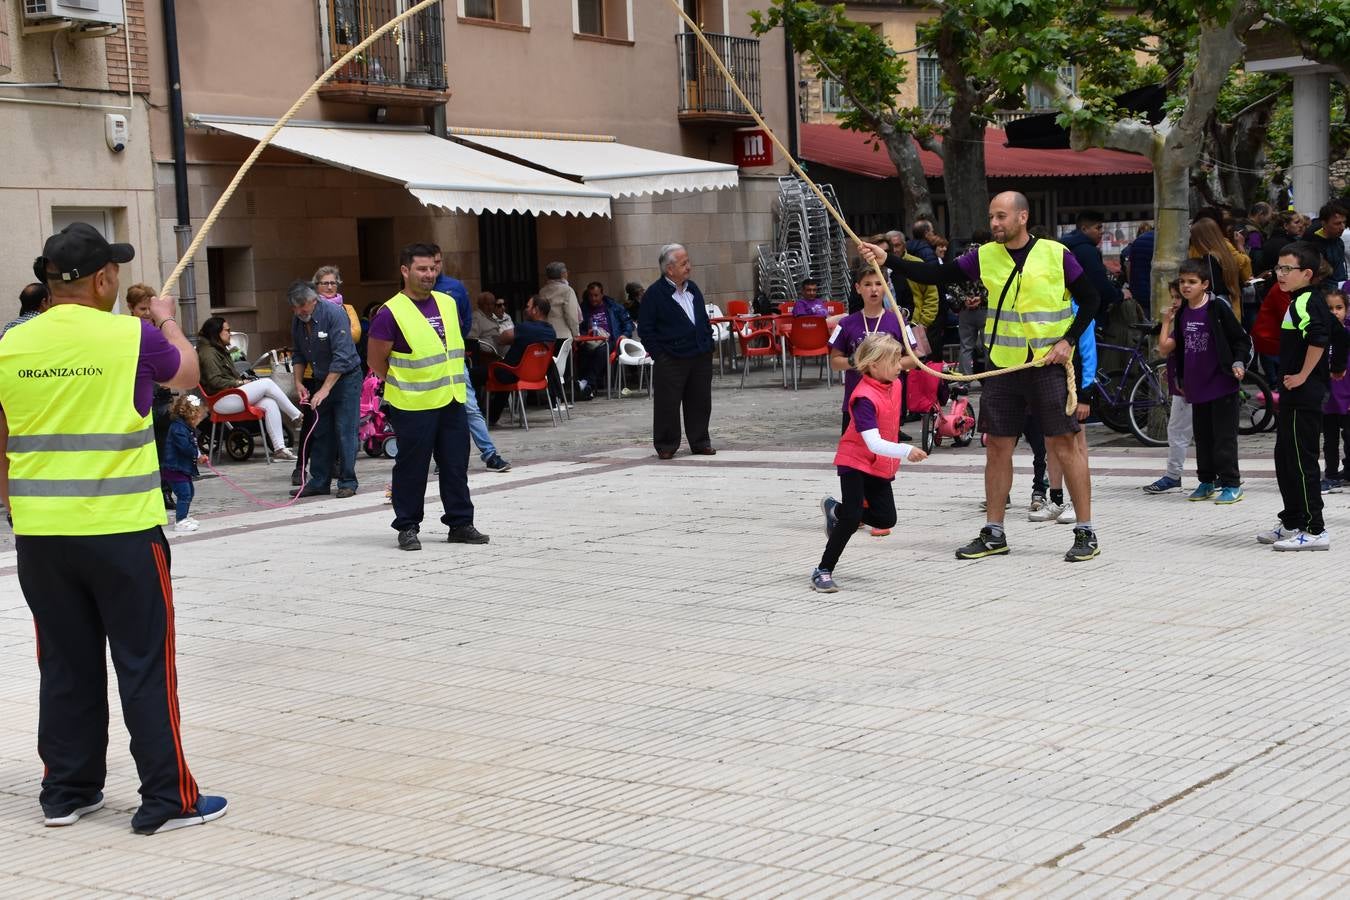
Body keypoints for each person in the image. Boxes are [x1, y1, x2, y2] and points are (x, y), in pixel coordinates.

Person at [0, 222, 226, 834]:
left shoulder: (10, 344)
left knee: (66, 664)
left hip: (42, 536)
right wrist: (169, 321)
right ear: (103, 278)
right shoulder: (130, 337)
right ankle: (166, 799)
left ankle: (67, 791)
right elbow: (185, 374)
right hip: (123, 532)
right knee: (144, 662)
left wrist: (17, 505)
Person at [862, 190, 1102, 563]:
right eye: (992, 216)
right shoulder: (985, 255)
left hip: (1047, 365)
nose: (994, 223)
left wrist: (1068, 340)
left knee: (1065, 446)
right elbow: (937, 274)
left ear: (1022, 217)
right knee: (997, 447)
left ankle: (1085, 530)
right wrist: (888, 260)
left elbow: (1091, 299)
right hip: (1003, 367)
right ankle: (994, 532)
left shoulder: (1056, 254)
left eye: (1002, 216)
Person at [367, 243, 489, 550]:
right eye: (422, 269)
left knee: (455, 464)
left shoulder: (447, 303)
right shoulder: (390, 312)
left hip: (451, 398)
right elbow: (375, 360)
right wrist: (403, 381)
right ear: (405, 271)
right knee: (412, 468)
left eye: (433, 268)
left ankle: (460, 523)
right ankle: (407, 526)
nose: (429, 274)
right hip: (412, 403)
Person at [813, 334, 928, 592]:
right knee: (853, 519)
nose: (900, 365)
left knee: (886, 518)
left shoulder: (894, 384)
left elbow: (920, 357)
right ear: (874, 365)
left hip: (878, 463)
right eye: (894, 361)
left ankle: (837, 511)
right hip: (855, 460)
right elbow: (873, 442)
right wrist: (906, 450)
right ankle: (823, 570)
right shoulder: (864, 397)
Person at [1258, 242, 1348, 551]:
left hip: (1303, 394)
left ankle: (1314, 529)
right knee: (1285, 457)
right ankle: (1292, 520)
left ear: (1306, 273)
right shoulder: (1308, 300)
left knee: (1301, 460)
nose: (1280, 274)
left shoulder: (1306, 301)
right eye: (1278, 268)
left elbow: (1320, 339)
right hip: (1298, 393)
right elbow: (1340, 333)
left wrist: (1303, 375)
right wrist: (1337, 367)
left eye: (1287, 269)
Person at [1157, 259, 1250, 504]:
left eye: (1192, 282)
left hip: (1221, 384)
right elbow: (1177, 348)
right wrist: (1180, 378)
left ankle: (1231, 483)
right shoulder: (1184, 312)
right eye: (1183, 282)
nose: (1186, 286)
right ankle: (1206, 481)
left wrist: (1238, 363)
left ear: (1205, 284)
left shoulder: (1217, 308)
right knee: (1204, 437)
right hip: (1195, 387)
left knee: (1224, 437)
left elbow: (1241, 339)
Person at [431, 251, 512, 473]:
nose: (433, 268)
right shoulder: (413, 293)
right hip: (427, 364)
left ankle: (490, 454)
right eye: (428, 265)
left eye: (437, 262)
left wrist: (455, 342)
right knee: (436, 412)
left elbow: (465, 322)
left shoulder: (454, 287)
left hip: (454, 359)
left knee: (470, 407)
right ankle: (442, 457)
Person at [638, 244, 716, 459]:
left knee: (700, 401)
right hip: (671, 357)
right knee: (667, 403)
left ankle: (700, 441)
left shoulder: (693, 289)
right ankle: (666, 445)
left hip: (699, 354)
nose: (689, 267)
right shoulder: (655, 294)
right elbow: (645, 328)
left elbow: (703, 320)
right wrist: (659, 355)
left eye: (688, 262)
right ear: (669, 269)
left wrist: (708, 343)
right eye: (684, 263)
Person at [288, 280, 362, 498]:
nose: (299, 311)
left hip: (346, 378)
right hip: (321, 378)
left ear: (314, 300)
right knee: (321, 430)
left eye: (303, 306)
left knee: (345, 429)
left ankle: (348, 481)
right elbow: (299, 353)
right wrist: (299, 383)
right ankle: (319, 481)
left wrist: (325, 390)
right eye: (295, 307)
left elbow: (342, 357)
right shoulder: (298, 320)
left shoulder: (334, 314)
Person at [1028, 303, 1098, 523]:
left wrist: (1086, 396)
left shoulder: (1079, 311)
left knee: (1077, 444)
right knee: (1051, 442)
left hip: (1074, 388)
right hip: (1049, 386)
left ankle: (1079, 504)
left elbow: (1089, 354)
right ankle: (1056, 500)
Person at [830, 264, 920, 433]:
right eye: (867, 284)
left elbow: (914, 359)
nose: (874, 290)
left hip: (888, 401)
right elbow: (834, 362)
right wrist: (856, 361)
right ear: (858, 288)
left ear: (886, 287)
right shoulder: (846, 324)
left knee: (887, 454)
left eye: (879, 284)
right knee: (853, 455)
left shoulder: (899, 322)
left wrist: (886, 364)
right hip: (856, 400)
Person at [197, 316, 301, 462]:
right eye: (227, 330)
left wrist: (240, 382)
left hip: (229, 395)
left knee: (269, 403)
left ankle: (279, 449)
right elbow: (215, 382)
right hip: (221, 400)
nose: (230, 333)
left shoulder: (217, 349)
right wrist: (239, 382)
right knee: (266, 383)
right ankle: (297, 417)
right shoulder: (208, 353)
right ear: (216, 333)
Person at [1143, 280, 1194, 494]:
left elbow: (1164, 347)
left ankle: (1174, 475)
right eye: (1172, 296)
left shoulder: (1184, 320)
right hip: (1184, 380)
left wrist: (1165, 322)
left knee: (1177, 430)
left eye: (1177, 297)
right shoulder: (1188, 318)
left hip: (1189, 385)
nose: (1174, 302)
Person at [484, 295, 558, 425]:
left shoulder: (525, 328)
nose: (525, 309)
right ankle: (491, 417)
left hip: (513, 373)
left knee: (473, 375)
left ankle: (474, 414)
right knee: (503, 371)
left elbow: (503, 338)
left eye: (528, 306)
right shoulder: (551, 331)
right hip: (536, 375)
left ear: (536, 310)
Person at [1062, 210, 1124, 329]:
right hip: (1090, 314)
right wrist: (1119, 295)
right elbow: (1099, 284)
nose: (1101, 232)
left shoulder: (1066, 247)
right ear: (1084, 229)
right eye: (1098, 228)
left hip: (1070, 309)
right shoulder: (1088, 251)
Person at [577, 281, 632, 400]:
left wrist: (625, 335)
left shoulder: (613, 306)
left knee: (602, 352)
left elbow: (627, 322)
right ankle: (587, 386)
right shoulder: (583, 308)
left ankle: (587, 384)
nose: (593, 298)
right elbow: (579, 326)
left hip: (611, 340)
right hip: (591, 341)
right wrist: (583, 335)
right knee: (583, 352)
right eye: (591, 295)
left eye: (596, 295)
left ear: (602, 294)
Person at [162, 394, 208, 533]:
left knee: (189, 492)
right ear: (191, 416)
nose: (199, 421)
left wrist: (198, 455)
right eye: (198, 418)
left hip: (182, 468)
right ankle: (180, 521)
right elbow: (185, 447)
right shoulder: (178, 428)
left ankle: (184, 516)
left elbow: (191, 445)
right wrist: (197, 455)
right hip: (175, 468)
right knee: (184, 494)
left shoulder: (185, 427)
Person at [1321, 287, 1350, 492]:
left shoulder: (1347, 334)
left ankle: (1348, 471)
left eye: (1338, 308)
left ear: (1346, 310)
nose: (1334, 312)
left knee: (1349, 437)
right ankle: (1330, 474)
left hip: (1347, 396)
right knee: (1329, 439)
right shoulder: (1318, 337)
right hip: (1327, 398)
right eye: (1329, 308)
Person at [1187, 217, 1243, 317]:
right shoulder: (1226, 254)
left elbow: (1212, 287)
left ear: (1201, 238)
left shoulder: (1209, 256)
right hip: (1231, 304)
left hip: (1215, 309)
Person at [539, 260, 582, 348]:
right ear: (562, 274)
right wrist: (576, 333)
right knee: (564, 361)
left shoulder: (542, 291)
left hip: (546, 334)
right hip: (563, 335)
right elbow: (571, 315)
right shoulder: (567, 290)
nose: (567, 274)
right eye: (566, 272)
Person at [1308, 201, 1348, 283]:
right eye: (1337, 224)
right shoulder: (1314, 245)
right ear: (1324, 223)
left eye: (1344, 222)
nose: (1343, 227)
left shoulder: (1338, 241)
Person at [1121, 222, 1155, 317]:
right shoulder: (1163, 241)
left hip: (1139, 293)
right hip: (1157, 293)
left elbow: (1128, 267)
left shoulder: (1135, 243)